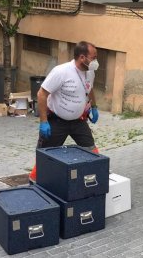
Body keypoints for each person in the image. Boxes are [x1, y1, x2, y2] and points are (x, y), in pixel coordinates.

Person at [29, 41, 100, 183]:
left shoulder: (89, 72)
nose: (96, 61)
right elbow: (41, 94)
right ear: (82, 58)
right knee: (45, 156)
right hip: (56, 121)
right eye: (93, 58)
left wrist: (94, 106)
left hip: (78, 121)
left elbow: (89, 88)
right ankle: (34, 182)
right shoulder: (61, 71)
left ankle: (94, 179)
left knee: (91, 150)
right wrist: (44, 122)